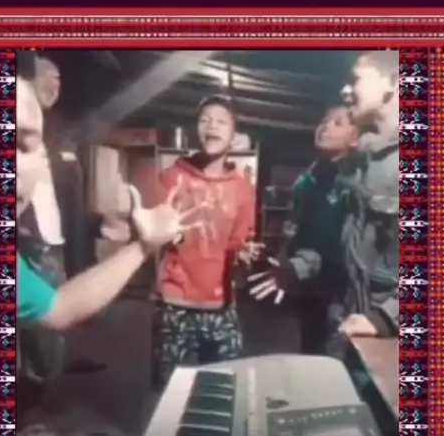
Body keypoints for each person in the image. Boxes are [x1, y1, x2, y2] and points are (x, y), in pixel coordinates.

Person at [17, 58, 197, 332]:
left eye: (24, 143)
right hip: (37, 250)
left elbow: (58, 309)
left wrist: (138, 243)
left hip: (59, 250)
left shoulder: (65, 141)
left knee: (45, 348)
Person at [249, 50, 399, 350]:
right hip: (351, 324)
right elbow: (336, 247)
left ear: (393, 83)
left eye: (356, 80)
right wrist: (297, 267)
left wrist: (385, 319)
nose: (346, 89)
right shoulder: (359, 164)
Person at [151, 94, 260, 388]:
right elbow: (154, 231)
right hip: (175, 302)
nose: (212, 126)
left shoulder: (243, 189)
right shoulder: (171, 177)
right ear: (194, 130)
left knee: (224, 388)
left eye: (221, 121)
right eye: (204, 120)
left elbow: (239, 241)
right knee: (167, 390)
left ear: (233, 135)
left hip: (220, 305)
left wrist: (243, 253)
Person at [250, 106, 361, 353]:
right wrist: (286, 260)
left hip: (343, 293)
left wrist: (300, 265)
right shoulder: (307, 180)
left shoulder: (355, 182)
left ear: (355, 138)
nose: (326, 127)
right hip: (310, 289)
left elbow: (339, 245)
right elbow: (295, 227)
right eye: (324, 120)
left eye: (338, 123)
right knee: (312, 352)